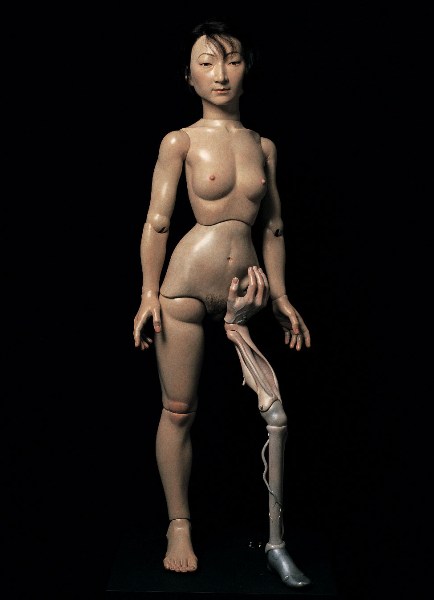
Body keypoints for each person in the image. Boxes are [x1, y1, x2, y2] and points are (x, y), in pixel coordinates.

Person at [133, 19, 312, 588]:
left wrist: (281, 296)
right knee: (178, 409)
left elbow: (274, 226)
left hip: (246, 291)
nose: (220, 73)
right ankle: (179, 524)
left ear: (246, 70)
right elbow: (158, 220)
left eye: (231, 60)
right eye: (206, 62)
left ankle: (275, 536)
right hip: (186, 285)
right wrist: (147, 293)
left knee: (271, 411)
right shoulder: (180, 141)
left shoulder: (263, 146)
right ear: (188, 76)